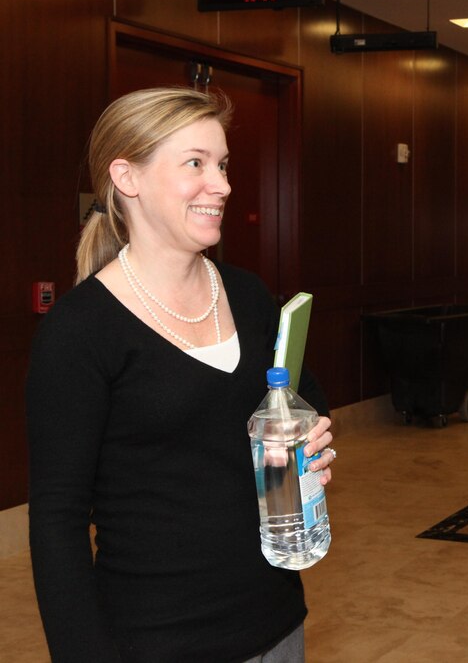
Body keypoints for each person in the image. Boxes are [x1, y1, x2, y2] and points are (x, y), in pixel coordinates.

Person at [26, 87, 337, 662]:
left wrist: (313, 441)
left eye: (221, 165)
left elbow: (304, 398)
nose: (219, 184)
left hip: (276, 622)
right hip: (156, 641)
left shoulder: (246, 295)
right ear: (127, 177)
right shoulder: (81, 330)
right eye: (195, 163)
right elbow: (57, 520)